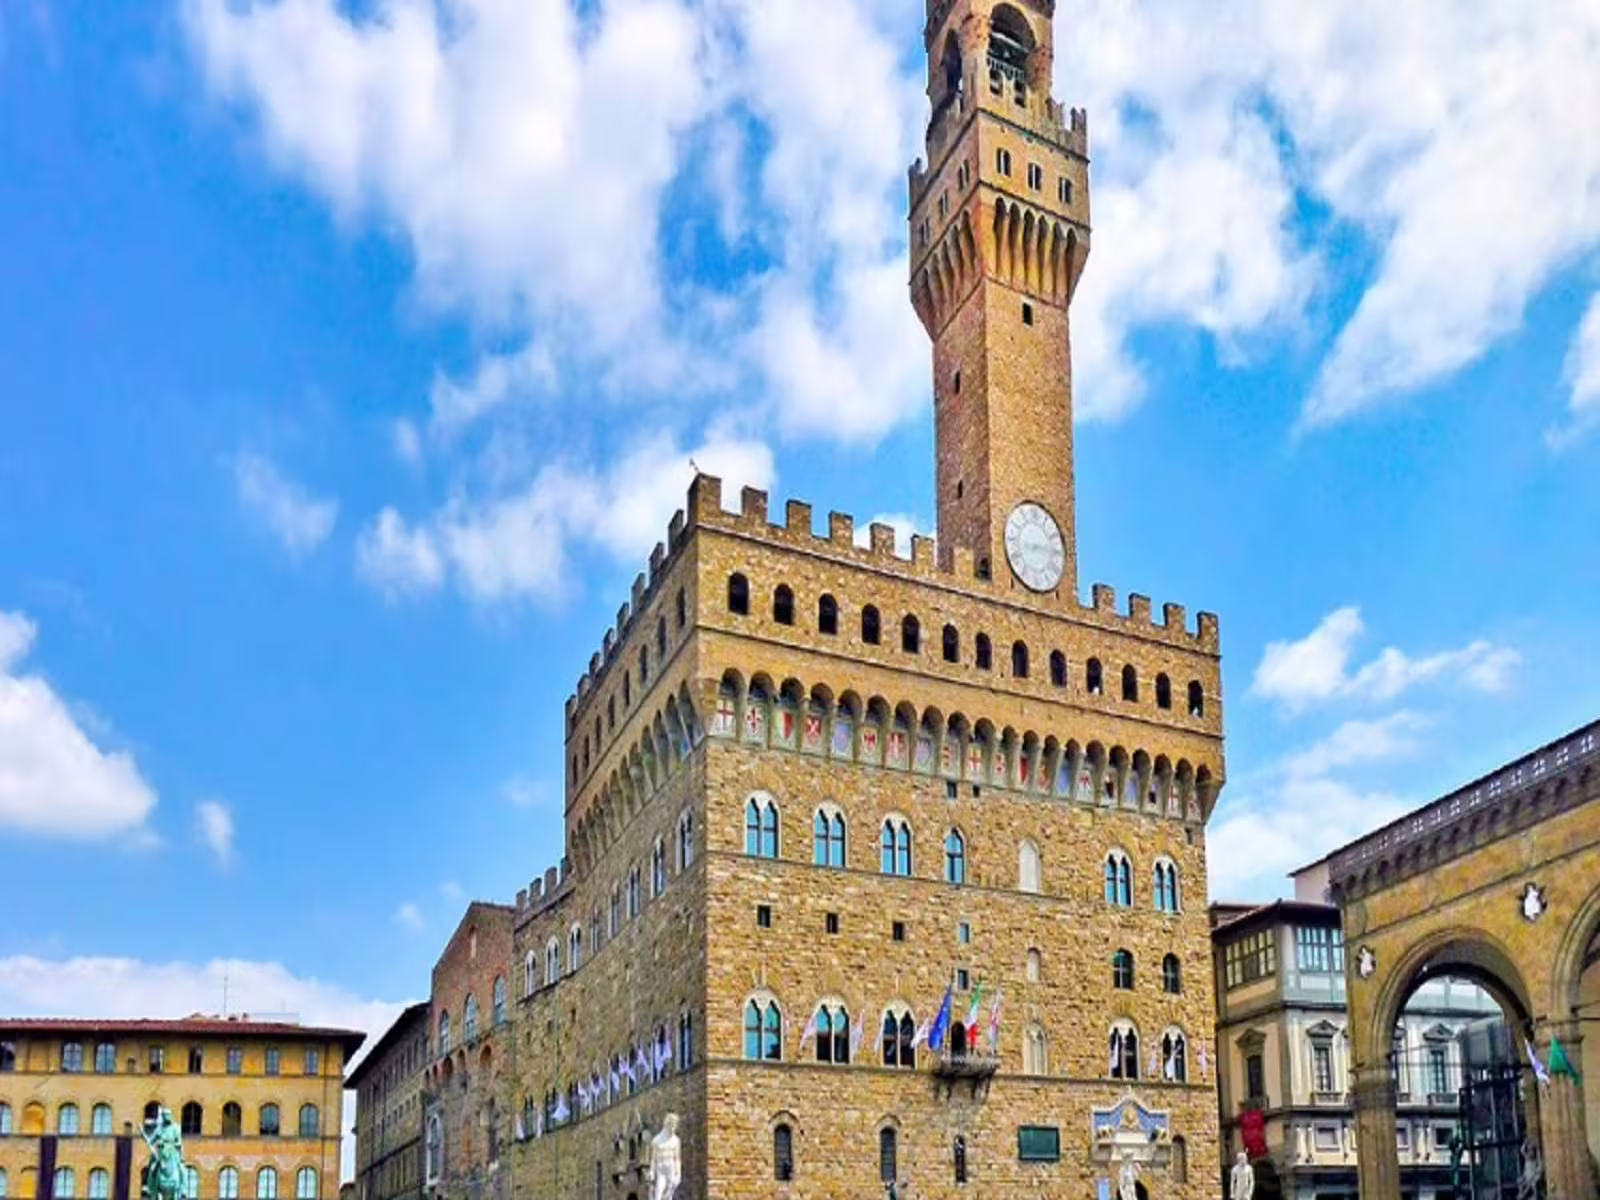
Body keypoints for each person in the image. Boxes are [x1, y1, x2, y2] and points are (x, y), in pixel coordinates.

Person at [648, 1114, 682, 1200]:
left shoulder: (676, 1140)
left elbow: (677, 1159)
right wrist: (652, 1171)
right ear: (667, 1125)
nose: (673, 1129)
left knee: (669, 1196)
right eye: (672, 1126)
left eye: (675, 1127)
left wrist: (678, 1174)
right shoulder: (656, 1140)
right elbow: (653, 1159)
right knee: (658, 1194)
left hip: (671, 1168)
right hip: (661, 1169)